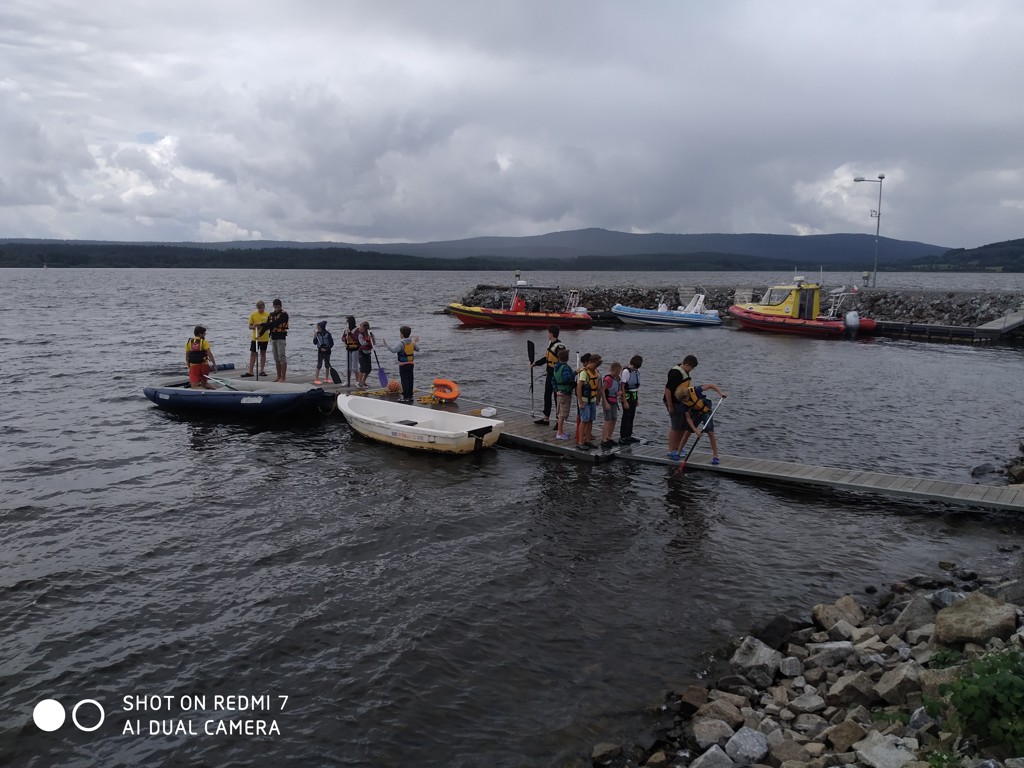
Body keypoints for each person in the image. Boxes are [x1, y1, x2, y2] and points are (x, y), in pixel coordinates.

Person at [677, 383, 728, 464]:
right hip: (695, 413)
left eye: (685, 399)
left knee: (710, 432)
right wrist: (695, 430)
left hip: (706, 411)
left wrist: (720, 393)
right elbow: (688, 418)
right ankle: (678, 453)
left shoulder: (696, 390)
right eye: (683, 401)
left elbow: (711, 385)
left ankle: (715, 456)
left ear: (687, 394)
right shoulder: (683, 403)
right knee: (687, 432)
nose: (685, 401)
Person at [529, 324, 566, 426]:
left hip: (557, 376)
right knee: (547, 396)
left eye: (548, 333)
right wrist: (536, 363)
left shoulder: (560, 346)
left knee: (556, 398)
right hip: (549, 374)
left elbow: (563, 361)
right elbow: (547, 358)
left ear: (552, 334)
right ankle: (546, 418)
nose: (547, 335)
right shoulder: (550, 344)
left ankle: (559, 420)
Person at [664, 354, 699, 460]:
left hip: (682, 402)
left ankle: (678, 447)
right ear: (687, 364)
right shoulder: (675, 373)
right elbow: (668, 389)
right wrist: (670, 406)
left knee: (683, 425)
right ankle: (671, 449)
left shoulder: (684, 372)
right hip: (673, 403)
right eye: (691, 368)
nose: (691, 370)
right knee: (676, 425)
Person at [383, 325, 419, 403]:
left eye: (400, 333)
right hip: (411, 364)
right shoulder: (412, 342)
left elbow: (393, 350)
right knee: (410, 379)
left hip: (403, 365)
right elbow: (418, 349)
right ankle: (410, 396)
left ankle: (405, 397)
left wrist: (386, 345)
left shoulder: (401, 343)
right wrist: (414, 341)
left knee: (404, 380)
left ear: (402, 334)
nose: (400, 335)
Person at [576, 354, 601, 450]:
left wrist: (597, 398)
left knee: (590, 420)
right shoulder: (584, 373)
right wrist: (580, 402)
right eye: (595, 365)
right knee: (584, 420)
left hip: (593, 400)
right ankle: (580, 441)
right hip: (585, 400)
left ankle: (588, 440)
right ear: (590, 362)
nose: (596, 367)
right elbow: (579, 388)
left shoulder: (595, 372)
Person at [619, 355, 643, 444]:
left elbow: (636, 387)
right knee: (626, 416)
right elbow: (622, 386)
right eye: (634, 367)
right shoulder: (626, 371)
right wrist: (624, 401)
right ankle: (623, 437)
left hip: (634, 395)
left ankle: (629, 435)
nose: (635, 369)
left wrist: (637, 399)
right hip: (627, 395)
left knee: (632, 416)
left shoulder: (637, 372)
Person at [263, 298, 289, 382]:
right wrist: (259, 334)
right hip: (273, 338)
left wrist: (261, 324)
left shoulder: (284, 315)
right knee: (276, 358)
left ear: (280, 306)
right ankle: (278, 376)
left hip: (281, 338)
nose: (276, 309)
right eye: (275, 307)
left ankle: (283, 378)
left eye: (278, 307)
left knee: (282, 357)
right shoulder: (271, 315)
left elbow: (275, 323)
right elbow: (267, 326)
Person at [551, 347, 575, 440]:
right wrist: (574, 373)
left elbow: (553, 381)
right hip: (565, 393)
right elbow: (566, 379)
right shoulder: (565, 368)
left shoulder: (556, 368)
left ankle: (561, 431)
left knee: (560, 413)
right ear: (567, 358)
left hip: (559, 393)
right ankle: (559, 432)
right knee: (562, 414)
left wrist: (557, 390)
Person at [185, 325, 217, 390]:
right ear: (200, 333)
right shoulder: (204, 342)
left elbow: (187, 356)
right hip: (204, 366)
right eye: (204, 333)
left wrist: (189, 366)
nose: (205, 334)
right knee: (204, 384)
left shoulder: (189, 342)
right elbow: (210, 354)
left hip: (194, 366)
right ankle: (216, 391)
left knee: (194, 386)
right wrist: (214, 365)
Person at [243, 300, 269, 378]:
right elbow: (250, 326)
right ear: (257, 308)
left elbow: (269, 325)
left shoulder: (268, 315)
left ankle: (262, 370)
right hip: (255, 337)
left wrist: (262, 325)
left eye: (262, 308)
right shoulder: (254, 315)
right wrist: (254, 327)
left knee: (263, 353)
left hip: (264, 337)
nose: (261, 310)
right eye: (260, 308)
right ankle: (250, 371)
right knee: (253, 353)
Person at [600, 361, 623, 450]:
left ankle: (609, 437)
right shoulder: (608, 379)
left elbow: (617, 389)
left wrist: (619, 393)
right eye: (616, 372)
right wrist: (605, 402)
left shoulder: (618, 379)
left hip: (614, 401)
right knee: (607, 419)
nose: (617, 374)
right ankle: (604, 439)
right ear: (612, 370)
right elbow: (602, 390)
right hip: (608, 400)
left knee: (614, 419)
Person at [573, 352, 591, 447]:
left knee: (587, 418)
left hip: (589, 398)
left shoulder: (592, 372)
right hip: (582, 398)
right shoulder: (582, 372)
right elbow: (578, 387)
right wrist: (580, 401)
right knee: (581, 416)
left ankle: (586, 435)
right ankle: (579, 437)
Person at [355, 321, 375, 389]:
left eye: (361, 327)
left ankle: (363, 381)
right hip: (361, 352)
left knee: (368, 369)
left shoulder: (371, 334)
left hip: (368, 352)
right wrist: (367, 340)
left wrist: (372, 340)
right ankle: (359, 382)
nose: (360, 328)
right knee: (363, 368)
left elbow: (374, 343)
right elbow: (362, 344)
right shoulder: (360, 335)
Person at [342, 315, 360, 385]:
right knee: (348, 366)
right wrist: (345, 338)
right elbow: (342, 338)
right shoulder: (346, 330)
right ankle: (348, 380)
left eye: (348, 322)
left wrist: (350, 333)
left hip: (355, 349)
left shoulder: (357, 330)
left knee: (355, 366)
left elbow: (356, 338)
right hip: (348, 349)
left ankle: (357, 381)